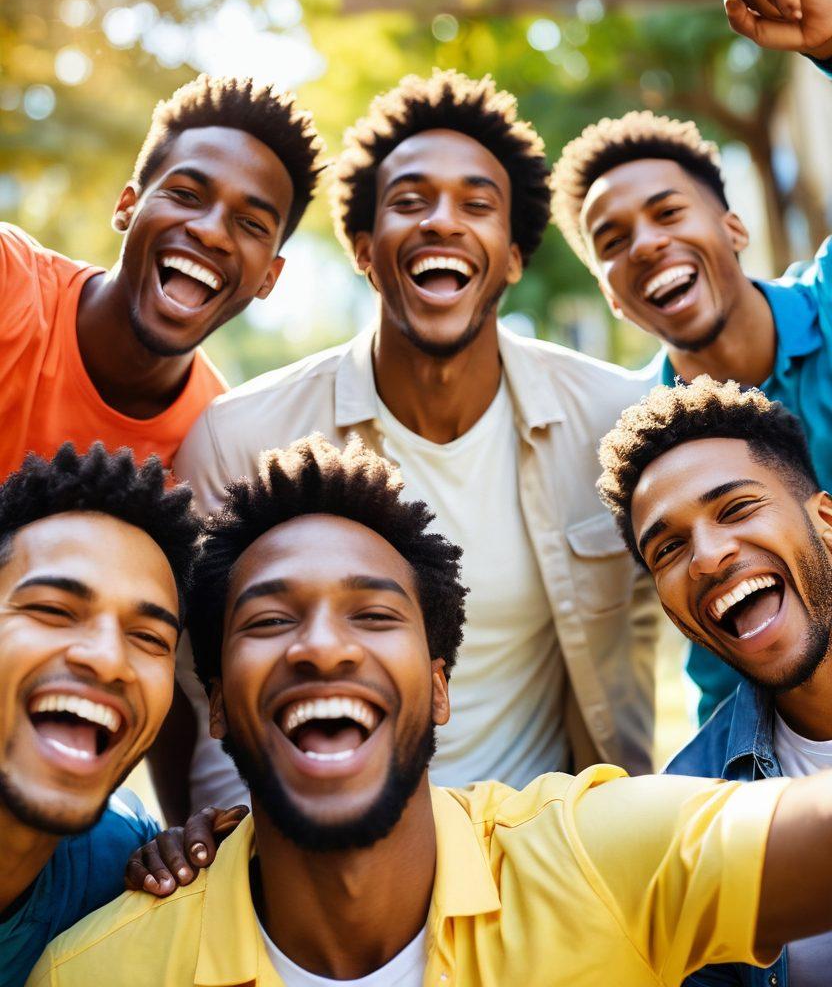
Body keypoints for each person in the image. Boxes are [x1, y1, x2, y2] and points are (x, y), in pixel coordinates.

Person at [28, 433, 832, 987]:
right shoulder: (93, 972)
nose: (323, 647)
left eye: (374, 614)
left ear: (439, 686)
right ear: (217, 708)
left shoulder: (595, 856)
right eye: (270, 620)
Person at [174, 68, 658, 813]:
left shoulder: (612, 419)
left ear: (513, 254)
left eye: (476, 204)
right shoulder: (242, 440)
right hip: (325, 847)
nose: (441, 222)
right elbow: (206, 694)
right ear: (365, 250)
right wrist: (239, 851)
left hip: (549, 841)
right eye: (409, 201)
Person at [551, 0, 832, 722]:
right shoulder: (651, 459)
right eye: (613, 241)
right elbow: (723, 650)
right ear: (612, 297)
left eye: (669, 212)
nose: (645, 244)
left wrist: (829, 45)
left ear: (733, 228)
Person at [597, 375, 832, 987]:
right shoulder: (691, 805)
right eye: (668, 549)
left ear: (826, 521)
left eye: (736, 509)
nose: (706, 556)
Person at [0, 441, 243, 986]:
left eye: (149, 637)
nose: (109, 659)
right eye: (52, 610)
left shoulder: (122, 861)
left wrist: (204, 869)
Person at [0, 72, 324, 480]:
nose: (211, 232)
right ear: (127, 206)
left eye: (252, 224)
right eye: (186, 195)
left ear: (269, 278)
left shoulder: (217, 450)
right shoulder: (9, 280)